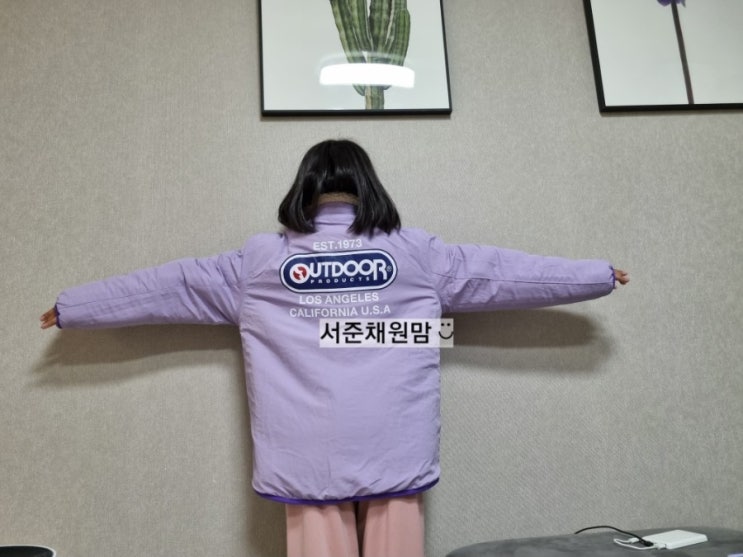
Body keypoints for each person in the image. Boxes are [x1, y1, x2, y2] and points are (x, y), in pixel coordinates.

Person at [40, 139, 629, 557]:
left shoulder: (258, 262)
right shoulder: (416, 254)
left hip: (307, 451)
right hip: (393, 443)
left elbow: (166, 288)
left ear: (305, 188)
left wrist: (73, 307)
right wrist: (596, 275)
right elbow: (507, 275)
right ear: (367, 186)